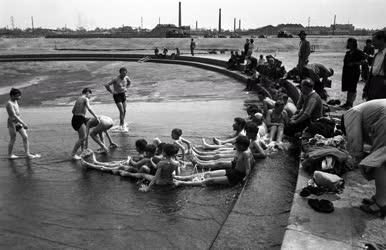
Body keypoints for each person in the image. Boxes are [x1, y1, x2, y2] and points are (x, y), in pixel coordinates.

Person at [343, 99, 386, 218]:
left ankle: (381, 204)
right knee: (380, 159)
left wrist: (358, 159)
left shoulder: (349, 116)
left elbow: (355, 145)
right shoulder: (359, 110)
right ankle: (380, 197)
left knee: (380, 162)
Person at [174, 135, 254, 186]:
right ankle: (182, 177)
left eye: (236, 144)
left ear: (242, 146)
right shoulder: (241, 150)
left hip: (236, 177)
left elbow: (248, 167)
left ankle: (182, 183)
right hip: (233, 170)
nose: (235, 146)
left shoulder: (245, 153)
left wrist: (245, 178)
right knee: (208, 173)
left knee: (209, 180)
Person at [6, 88, 39, 159]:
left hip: (18, 123)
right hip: (12, 124)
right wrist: (23, 123)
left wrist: (20, 123)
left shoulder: (15, 101)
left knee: (25, 137)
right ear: (12, 96)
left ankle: (27, 154)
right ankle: (10, 155)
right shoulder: (9, 104)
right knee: (13, 139)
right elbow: (14, 115)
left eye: (19, 95)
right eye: (17, 96)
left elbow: (17, 114)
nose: (19, 97)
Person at [71, 88, 99, 160]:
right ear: (87, 93)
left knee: (82, 137)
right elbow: (89, 109)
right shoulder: (85, 99)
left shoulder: (78, 99)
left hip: (75, 119)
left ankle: (83, 151)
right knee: (83, 137)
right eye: (90, 95)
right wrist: (96, 117)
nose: (90, 97)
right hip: (79, 119)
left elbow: (73, 111)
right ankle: (73, 154)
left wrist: (83, 115)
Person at [341, 38, 366, 109]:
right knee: (348, 88)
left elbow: (364, 61)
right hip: (347, 73)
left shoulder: (359, 52)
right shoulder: (348, 53)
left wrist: (354, 64)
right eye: (348, 42)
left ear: (354, 43)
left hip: (354, 72)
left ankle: (350, 104)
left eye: (350, 42)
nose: (349, 44)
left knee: (352, 88)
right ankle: (347, 103)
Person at [363, 31, 386, 101]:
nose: (372, 43)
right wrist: (366, 89)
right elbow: (371, 73)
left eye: (374, 41)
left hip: (383, 86)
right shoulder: (376, 55)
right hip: (373, 84)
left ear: (382, 40)